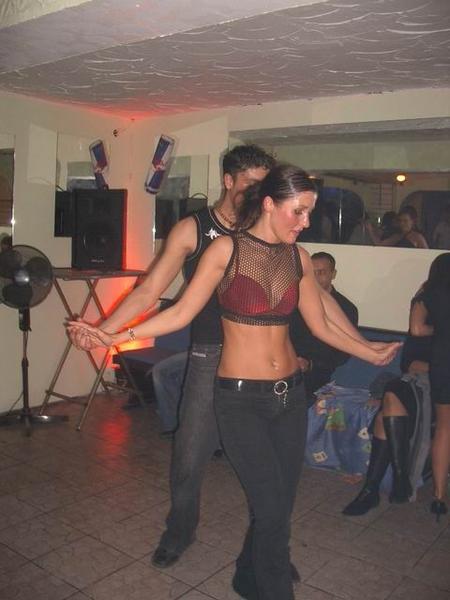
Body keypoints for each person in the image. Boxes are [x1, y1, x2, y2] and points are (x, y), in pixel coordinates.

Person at [68, 164, 400, 600]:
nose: (305, 222)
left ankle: (247, 573)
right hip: (240, 399)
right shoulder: (225, 250)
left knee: (280, 502)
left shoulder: (298, 258)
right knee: (271, 508)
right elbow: (180, 311)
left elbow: (321, 323)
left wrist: (368, 350)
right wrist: (113, 335)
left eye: (309, 212)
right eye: (298, 211)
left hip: (290, 397)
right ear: (270, 204)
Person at [68, 144, 276, 568]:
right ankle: (179, 531)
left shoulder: (266, 227)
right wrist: (103, 331)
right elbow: (148, 290)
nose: (259, 193)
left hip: (259, 356)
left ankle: (272, 542)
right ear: (228, 180)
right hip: (210, 354)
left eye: (264, 185)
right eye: (251, 184)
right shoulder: (193, 229)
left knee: (265, 458)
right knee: (189, 452)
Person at [342, 284, 433, 516]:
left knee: (387, 409)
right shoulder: (423, 330)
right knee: (392, 395)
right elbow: (409, 364)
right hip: (415, 384)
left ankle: (372, 490)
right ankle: (398, 481)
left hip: (437, 391)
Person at [410, 252, 450, 521]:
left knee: (444, 428)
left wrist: (441, 330)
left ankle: (438, 496)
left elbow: (416, 329)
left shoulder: (429, 292)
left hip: (443, 360)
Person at [289, 251, 358, 402]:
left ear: (333, 274)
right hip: (287, 363)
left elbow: (343, 353)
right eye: (312, 273)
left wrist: (310, 364)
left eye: (321, 272)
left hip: (317, 371)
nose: (316, 277)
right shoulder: (295, 302)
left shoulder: (345, 308)